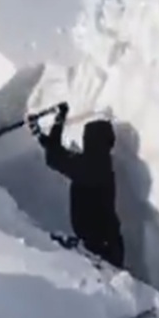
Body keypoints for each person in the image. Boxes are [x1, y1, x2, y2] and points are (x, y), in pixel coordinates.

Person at [27, 102, 125, 269]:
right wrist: (41, 135)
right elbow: (60, 154)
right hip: (104, 245)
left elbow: (55, 159)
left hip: (102, 250)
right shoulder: (99, 164)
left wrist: (59, 121)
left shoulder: (93, 168)